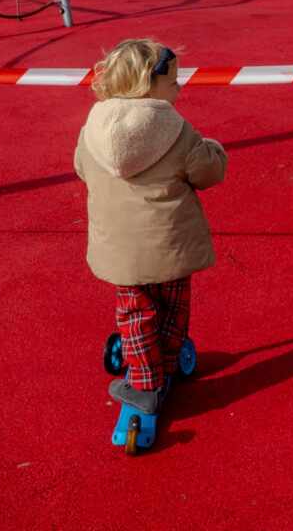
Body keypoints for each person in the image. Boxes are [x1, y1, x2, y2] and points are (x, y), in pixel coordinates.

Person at [75, 39, 228, 414]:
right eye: (173, 81)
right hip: (169, 241)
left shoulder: (92, 128)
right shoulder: (174, 128)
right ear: (149, 84)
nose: (179, 87)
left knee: (134, 310)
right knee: (173, 306)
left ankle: (144, 375)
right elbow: (207, 172)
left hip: (121, 248)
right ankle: (167, 364)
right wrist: (214, 149)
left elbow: (81, 167)